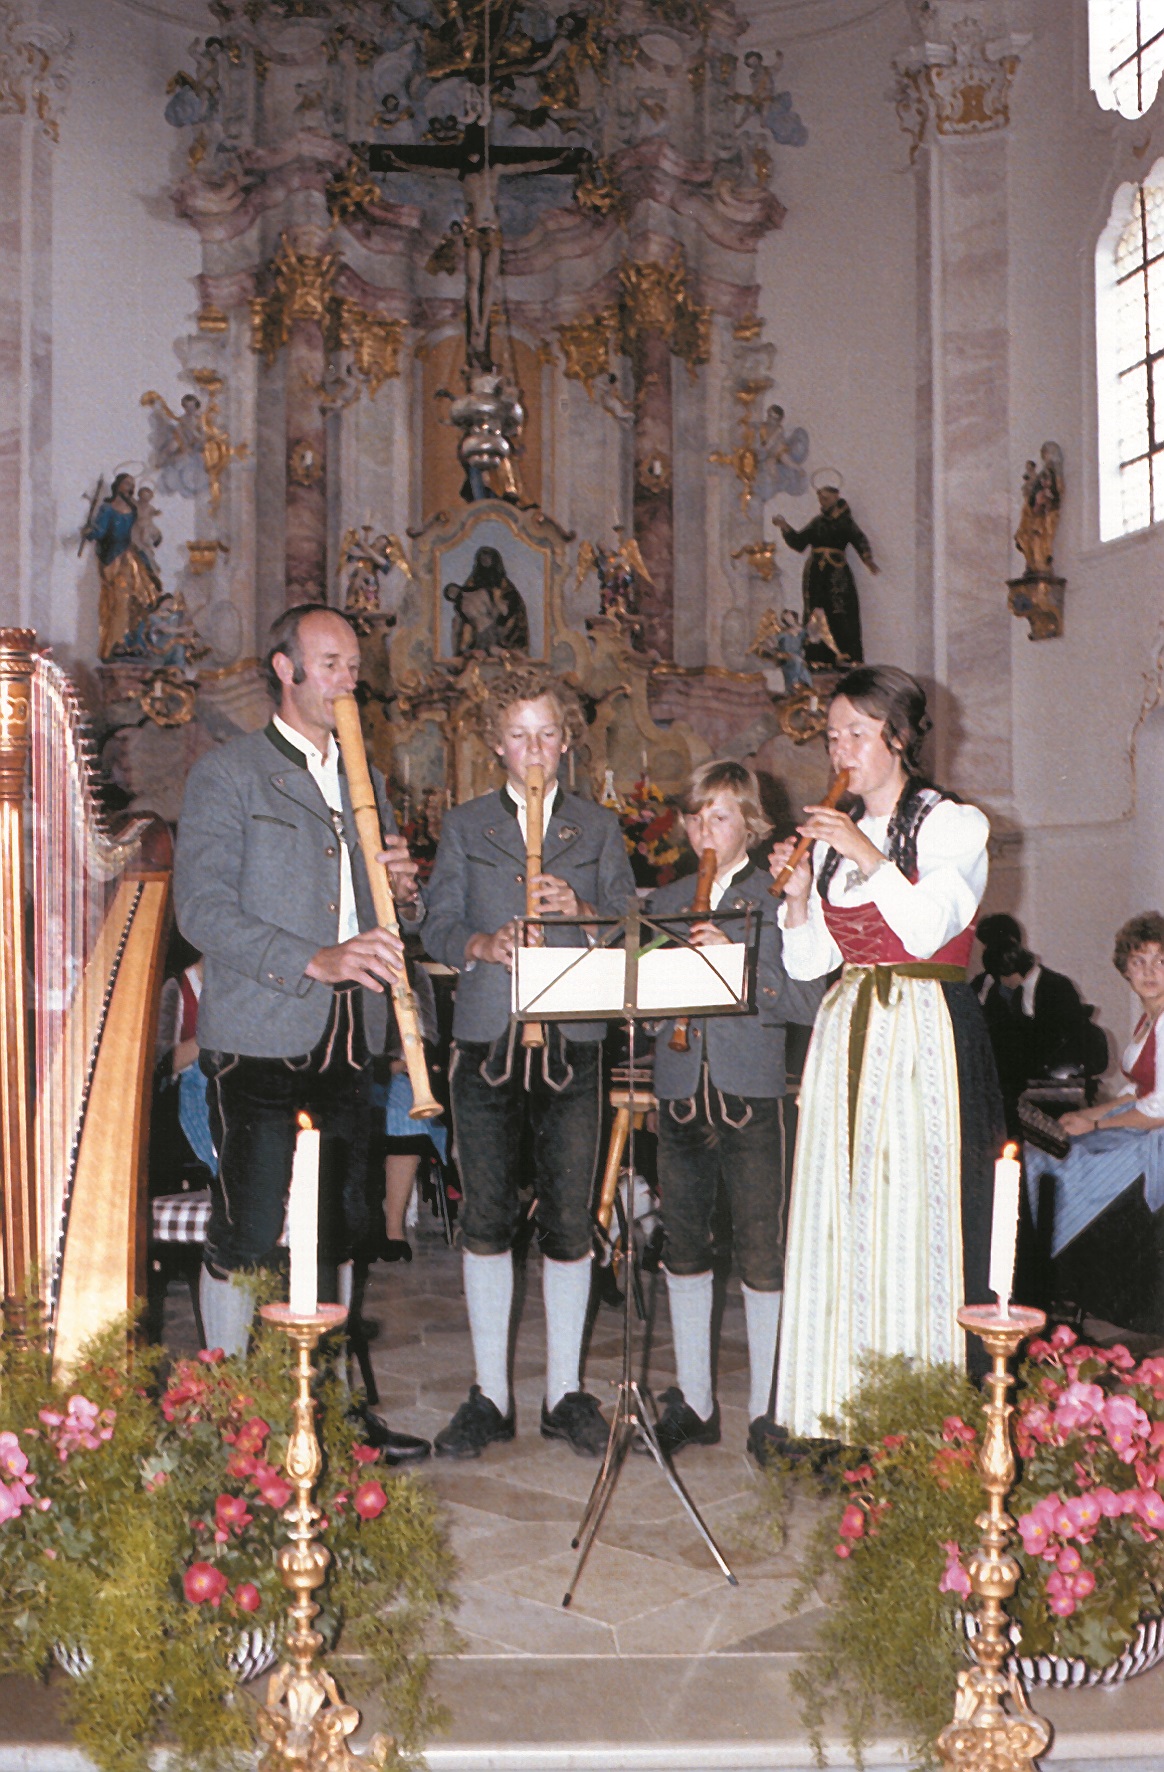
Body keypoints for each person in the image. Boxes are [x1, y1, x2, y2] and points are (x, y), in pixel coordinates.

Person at [173, 603, 431, 1464]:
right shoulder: (230, 774)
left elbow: (372, 914)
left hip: (348, 1037)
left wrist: (400, 889)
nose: (348, 681)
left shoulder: (368, 777)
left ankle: (326, 1413)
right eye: (330, 665)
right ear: (283, 669)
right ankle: (226, 1412)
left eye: (353, 667)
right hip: (259, 1036)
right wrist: (313, 958)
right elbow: (202, 910)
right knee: (249, 1232)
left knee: (343, 1226)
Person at [769, 666, 1004, 1441]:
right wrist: (800, 897)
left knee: (917, 1214)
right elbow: (810, 964)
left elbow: (926, 930)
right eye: (832, 735)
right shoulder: (838, 837)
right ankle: (839, 1411)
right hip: (849, 1028)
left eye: (857, 734)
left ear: (899, 738)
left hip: (923, 1027)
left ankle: (920, 1419)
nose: (840, 750)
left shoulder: (951, 825)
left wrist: (867, 857)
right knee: (847, 1213)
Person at [421, 666, 636, 1457]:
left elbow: (629, 922)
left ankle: (565, 1393)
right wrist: (481, 943)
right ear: (496, 746)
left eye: (548, 734)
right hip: (487, 1038)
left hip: (573, 1038)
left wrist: (582, 912)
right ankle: (488, 1394)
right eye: (518, 736)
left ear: (567, 741)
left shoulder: (598, 827)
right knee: (485, 1217)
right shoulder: (465, 824)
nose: (534, 748)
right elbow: (438, 922)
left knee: (572, 1222)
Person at [644, 761, 825, 1464]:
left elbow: (804, 1000)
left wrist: (738, 966)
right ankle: (693, 1401)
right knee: (683, 1250)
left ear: (750, 824)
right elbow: (642, 1005)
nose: (703, 831)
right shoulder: (663, 901)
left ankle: (767, 1412)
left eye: (718, 817)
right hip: (682, 1093)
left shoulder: (776, 894)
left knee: (762, 1252)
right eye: (694, 816)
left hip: (753, 1095)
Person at [1025, 914, 1164, 1332]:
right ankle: (1054, 1276)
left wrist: (1097, 1128)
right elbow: (1134, 1092)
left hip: (1156, 1138)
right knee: (1045, 1153)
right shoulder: (1148, 1019)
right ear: (1124, 970)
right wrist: (1088, 1113)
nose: (1149, 972)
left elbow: (1159, 1107)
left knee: (1064, 1166)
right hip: (1144, 1120)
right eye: (1139, 963)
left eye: (1160, 961)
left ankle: (1057, 1279)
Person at [972, 912, 1106, 1138]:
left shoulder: (1055, 987)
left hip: (1045, 1095)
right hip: (994, 1093)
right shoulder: (982, 987)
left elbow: (1055, 1045)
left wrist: (1025, 987)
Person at [772, 476, 878, 667]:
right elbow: (799, 542)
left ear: (836, 497)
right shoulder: (818, 522)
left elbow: (859, 539)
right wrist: (785, 527)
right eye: (820, 499)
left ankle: (846, 655)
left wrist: (868, 559)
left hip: (837, 573)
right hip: (816, 574)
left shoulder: (845, 522)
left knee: (841, 611)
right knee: (815, 613)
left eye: (826, 498)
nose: (822, 502)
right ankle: (818, 656)